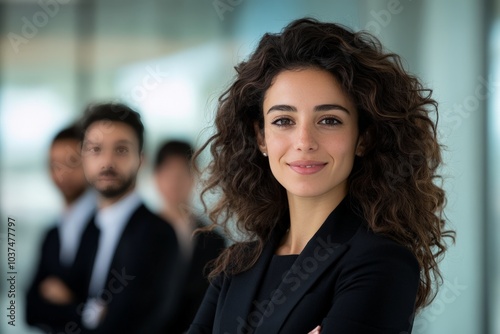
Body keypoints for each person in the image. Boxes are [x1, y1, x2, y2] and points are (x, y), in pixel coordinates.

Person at [188, 18, 455, 334]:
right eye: (283, 121)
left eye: (329, 120)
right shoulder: (236, 265)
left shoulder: (383, 264)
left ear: (364, 137)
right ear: (260, 137)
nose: (304, 142)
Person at [77, 102, 180, 333]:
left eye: (121, 149)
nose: (107, 162)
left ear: (141, 160)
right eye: (95, 149)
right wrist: (91, 313)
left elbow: (145, 322)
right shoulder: (88, 227)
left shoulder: (158, 234)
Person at [26, 124, 97, 333]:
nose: (61, 173)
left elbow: (107, 315)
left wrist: (68, 304)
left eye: (70, 162)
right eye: (54, 164)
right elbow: (30, 310)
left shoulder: (106, 227)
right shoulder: (52, 234)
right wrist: (77, 307)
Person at [154, 140, 225, 333]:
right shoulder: (139, 233)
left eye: (182, 174)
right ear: (156, 177)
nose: (174, 182)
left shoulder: (213, 240)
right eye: (168, 173)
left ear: (194, 176)